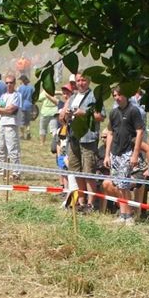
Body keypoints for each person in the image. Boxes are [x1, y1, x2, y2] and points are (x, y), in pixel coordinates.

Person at [59, 72, 106, 213]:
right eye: (78, 80)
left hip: (88, 138)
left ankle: (91, 204)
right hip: (73, 138)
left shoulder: (94, 96)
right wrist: (64, 116)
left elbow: (101, 116)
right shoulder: (72, 96)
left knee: (88, 172)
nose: (80, 83)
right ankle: (80, 202)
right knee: (76, 172)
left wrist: (84, 113)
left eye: (83, 80)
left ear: (89, 81)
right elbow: (63, 117)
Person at [104, 87, 145, 225]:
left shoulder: (134, 111)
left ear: (126, 96)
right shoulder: (114, 113)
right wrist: (107, 155)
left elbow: (140, 132)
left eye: (120, 94)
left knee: (125, 185)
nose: (117, 97)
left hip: (127, 152)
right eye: (115, 95)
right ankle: (123, 214)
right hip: (115, 153)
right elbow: (110, 133)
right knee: (118, 185)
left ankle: (129, 216)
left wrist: (135, 154)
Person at [0, 74, 22, 180]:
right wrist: (3, 109)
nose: (9, 84)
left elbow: (12, 110)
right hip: (2, 123)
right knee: (0, 149)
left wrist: (2, 109)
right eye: (7, 83)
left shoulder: (17, 95)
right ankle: (1, 172)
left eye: (11, 82)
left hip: (11, 124)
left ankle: (16, 173)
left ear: (14, 84)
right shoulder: (3, 96)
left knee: (13, 149)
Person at [17, 75, 34, 140]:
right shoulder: (31, 88)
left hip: (22, 105)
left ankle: (22, 134)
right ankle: (28, 132)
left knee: (21, 121)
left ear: (22, 80)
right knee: (28, 121)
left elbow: (18, 96)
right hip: (29, 105)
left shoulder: (20, 88)